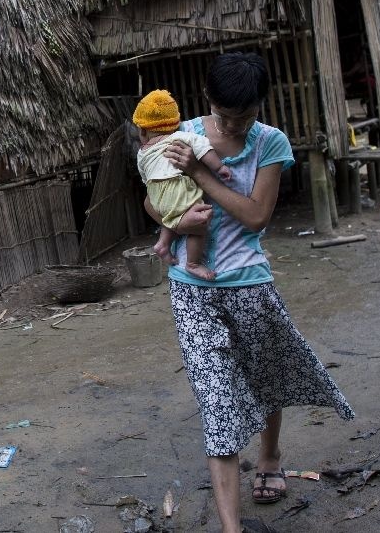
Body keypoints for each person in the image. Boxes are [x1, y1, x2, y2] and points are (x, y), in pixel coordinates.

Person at [147, 52, 354, 533]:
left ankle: (269, 456)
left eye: (247, 115)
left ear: (262, 104)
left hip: (250, 283)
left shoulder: (270, 143)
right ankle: (231, 528)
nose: (236, 124)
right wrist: (174, 220)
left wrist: (198, 176)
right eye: (225, 115)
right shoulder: (182, 135)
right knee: (217, 399)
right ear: (208, 101)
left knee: (264, 377)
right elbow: (151, 197)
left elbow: (256, 215)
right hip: (191, 287)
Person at [132, 89, 231, 280]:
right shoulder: (178, 137)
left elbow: (145, 176)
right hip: (176, 189)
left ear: (142, 130)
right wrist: (219, 168)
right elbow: (203, 148)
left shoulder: (142, 152)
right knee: (200, 223)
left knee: (173, 214)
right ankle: (193, 263)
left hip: (156, 196)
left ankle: (163, 243)